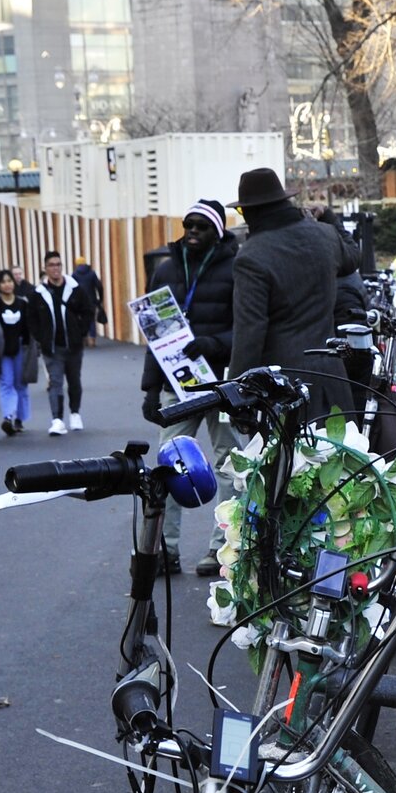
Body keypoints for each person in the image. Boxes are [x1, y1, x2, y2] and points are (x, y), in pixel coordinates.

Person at [143, 199, 238, 574]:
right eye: (188, 225)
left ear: (217, 229)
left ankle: (222, 549)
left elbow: (247, 327)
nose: (193, 232)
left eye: (201, 226)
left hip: (221, 382)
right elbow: (154, 336)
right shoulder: (166, 269)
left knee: (230, 465)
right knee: (167, 466)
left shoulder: (235, 269)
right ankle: (164, 549)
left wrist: (214, 344)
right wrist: (151, 389)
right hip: (177, 385)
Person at [229, 167, 354, 417]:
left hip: (285, 387)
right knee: (342, 453)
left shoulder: (252, 255)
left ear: (254, 211)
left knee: (292, 456)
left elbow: (250, 332)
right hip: (333, 376)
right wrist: (329, 217)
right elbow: (353, 258)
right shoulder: (325, 235)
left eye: (242, 211)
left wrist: (236, 391)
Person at [29, 249, 97, 436]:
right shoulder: (39, 293)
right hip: (52, 347)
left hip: (74, 346)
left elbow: (89, 310)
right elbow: (32, 318)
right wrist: (41, 338)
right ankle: (57, 419)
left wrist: (81, 331)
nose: (55, 268)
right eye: (51, 265)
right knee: (55, 382)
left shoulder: (75, 289)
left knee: (74, 381)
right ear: (45, 268)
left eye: (58, 264)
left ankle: (75, 413)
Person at [0, 268, 39, 436]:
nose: (7, 284)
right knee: (6, 383)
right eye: (3, 282)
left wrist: (34, 346)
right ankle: (8, 417)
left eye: (9, 281)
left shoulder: (23, 302)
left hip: (22, 348)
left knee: (20, 384)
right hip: (2, 350)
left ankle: (20, 418)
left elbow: (30, 326)